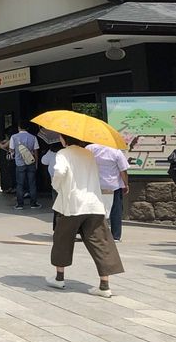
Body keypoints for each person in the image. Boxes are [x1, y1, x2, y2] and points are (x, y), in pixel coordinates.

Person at [46, 136, 124, 296]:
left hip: (71, 204)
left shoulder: (63, 153)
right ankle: (104, 286)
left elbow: (60, 171)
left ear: (63, 139)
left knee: (62, 239)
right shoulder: (89, 154)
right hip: (94, 203)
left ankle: (59, 278)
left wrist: (56, 185)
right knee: (101, 242)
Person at [86, 141, 129, 241]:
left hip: (95, 184)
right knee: (116, 210)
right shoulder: (116, 152)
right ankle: (115, 236)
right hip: (113, 185)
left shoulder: (89, 149)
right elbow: (123, 170)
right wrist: (126, 184)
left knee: (94, 209)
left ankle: (94, 233)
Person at [8, 122, 40, 209]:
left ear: (19, 127)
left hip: (19, 163)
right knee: (32, 183)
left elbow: (11, 150)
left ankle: (20, 204)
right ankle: (33, 203)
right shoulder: (33, 137)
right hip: (31, 162)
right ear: (28, 128)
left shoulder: (13, 137)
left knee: (20, 184)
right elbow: (36, 151)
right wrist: (36, 163)